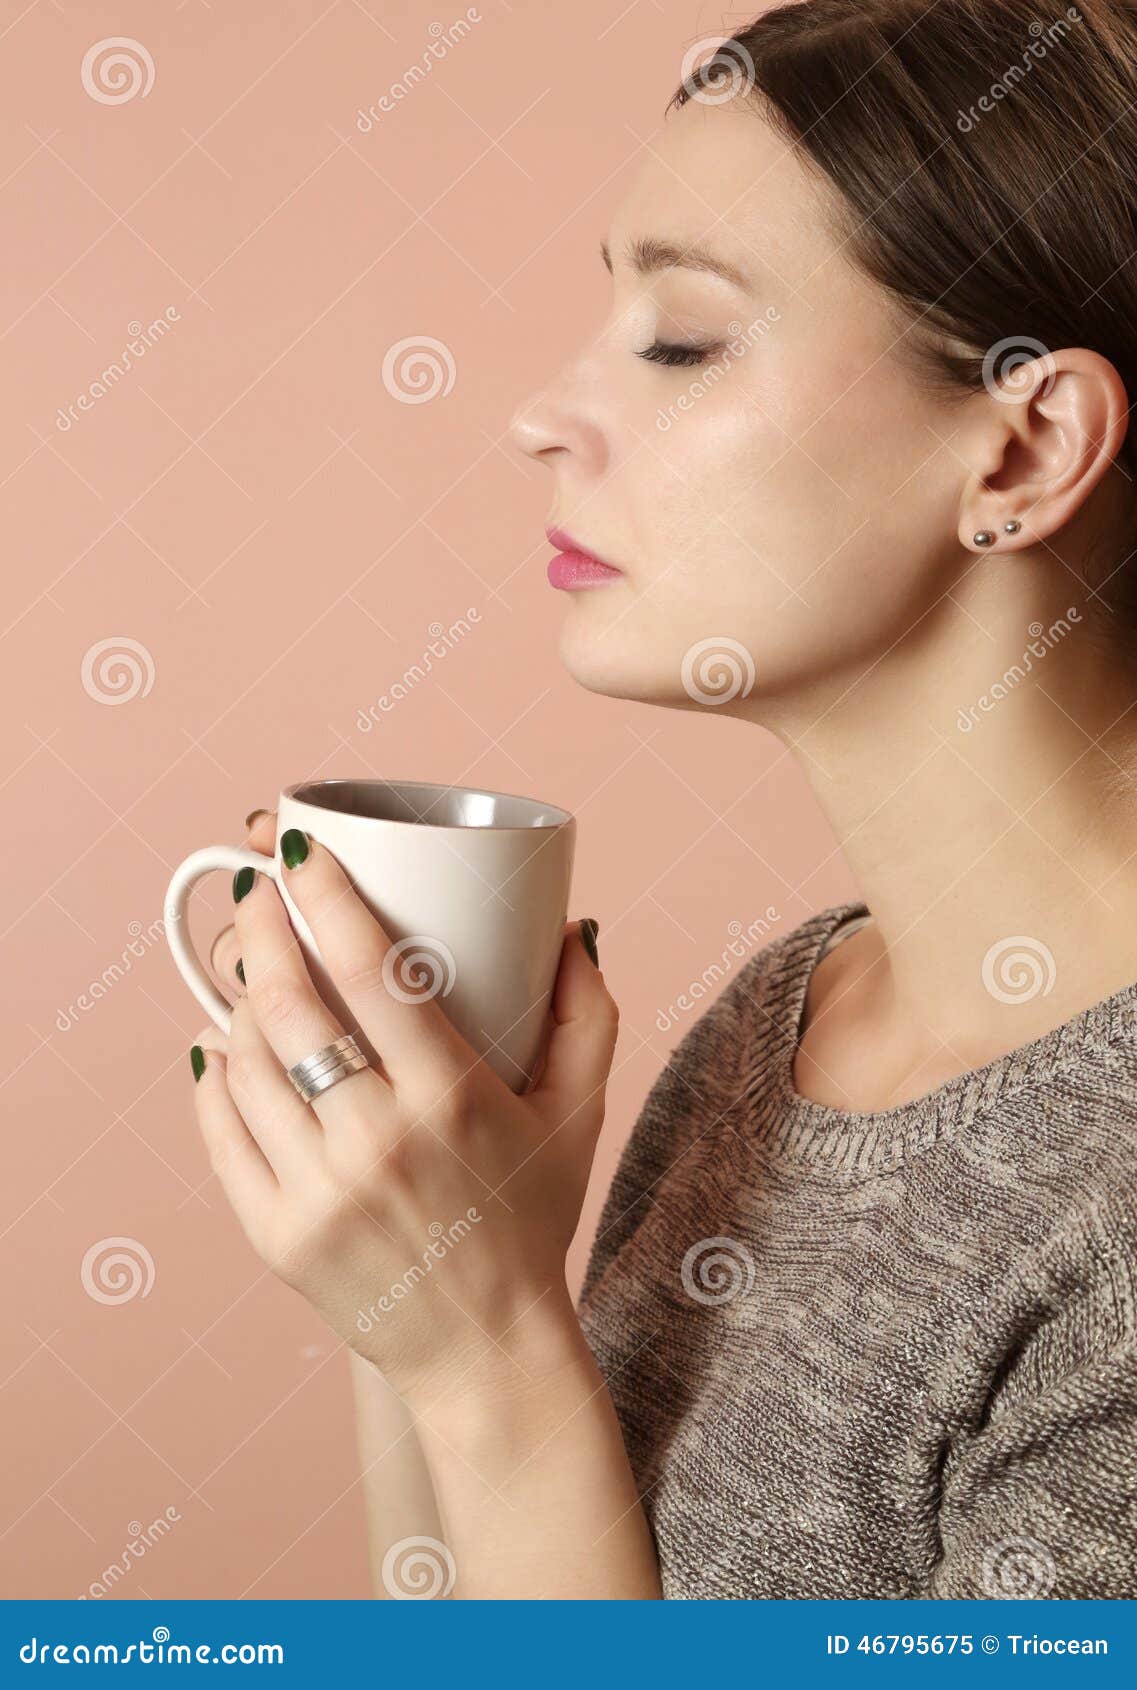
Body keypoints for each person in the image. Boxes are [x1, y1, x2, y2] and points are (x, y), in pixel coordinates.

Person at [191, 0, 1137, 1598]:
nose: (540, 415)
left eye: (684, 338)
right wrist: (421, 1272)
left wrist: (489, 1347)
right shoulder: (787, 1018)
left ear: (1022, 449)